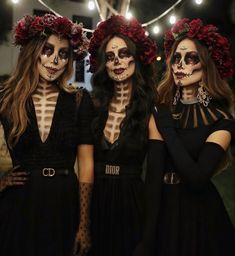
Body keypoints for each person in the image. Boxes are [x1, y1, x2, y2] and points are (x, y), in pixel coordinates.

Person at [0, 14, 94, 256]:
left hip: (64, 202)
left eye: (63, 54)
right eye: (48, 50)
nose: (54, 60)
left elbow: (85, 164)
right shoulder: (7, 97)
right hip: (20, 201)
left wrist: (83, 224)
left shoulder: (79, 99)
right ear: (33, 51)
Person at [151, 18, 235, 255]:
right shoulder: (161, 107)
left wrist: (167, 128)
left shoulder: (222, 120)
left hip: (199, 215)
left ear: (206, 65)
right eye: (176, 58)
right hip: (162, 206)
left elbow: (197, 178)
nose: (180, 64)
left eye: (191, 58)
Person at [88, 15, 165, 256]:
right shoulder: (93, 106)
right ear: (103, 64)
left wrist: (149, 237)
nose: (117, 61)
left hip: (132, 202)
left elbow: (154, 179)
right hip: (95, 199)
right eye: (110, 57)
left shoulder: (151, 109)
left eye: (123, 54)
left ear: (137, 58)